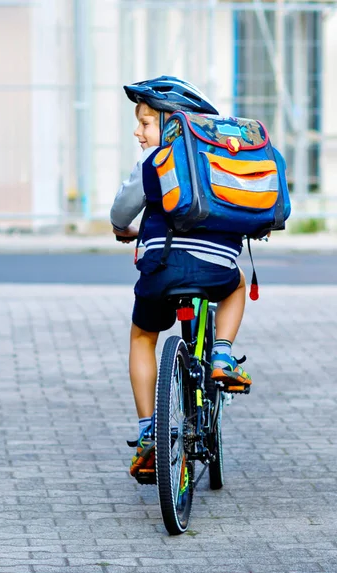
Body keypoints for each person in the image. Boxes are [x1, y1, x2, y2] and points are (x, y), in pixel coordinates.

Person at [109, 76, 251, 480]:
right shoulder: (222, 157)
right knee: (237, 283)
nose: (138, 132)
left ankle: (149, 432)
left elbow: (122, 212)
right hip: (217, 266)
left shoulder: (154, 161)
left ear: (173, 123)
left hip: (162, 266)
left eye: (146, 123)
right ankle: (222, 353)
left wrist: (124, 229)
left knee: (142, 337)